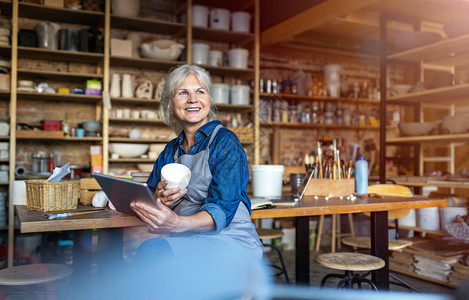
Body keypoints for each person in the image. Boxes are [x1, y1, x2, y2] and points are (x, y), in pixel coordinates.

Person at [129, 64, 263, 263]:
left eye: (200, 91)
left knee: (153, 252)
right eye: (183, 92)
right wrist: (160, 197)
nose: (193, 99)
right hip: (188, 240)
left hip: (230, 242)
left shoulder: (225, 142)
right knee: (146, 254)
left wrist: (176, 223)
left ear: (209, 99)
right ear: (170, 106)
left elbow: (222, 209)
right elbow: (150, 197)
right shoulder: (171, 150)